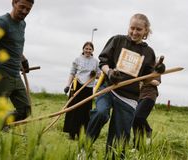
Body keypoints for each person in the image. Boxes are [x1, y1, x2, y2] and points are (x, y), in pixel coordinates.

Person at [86, 13, 165, 158]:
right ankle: (84, 149)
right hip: (109, 89)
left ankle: (112, 157)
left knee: (120, 136)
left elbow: (147, 79)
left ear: (146, 31)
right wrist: (109, 72)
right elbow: (103, 62)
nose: (134, 32)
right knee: (101, 113)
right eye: (132, 28)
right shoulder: (117, 40)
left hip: (129, 97)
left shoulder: (148, 53)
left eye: (139, 29)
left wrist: (157, 71)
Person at [0, 0, 34, 124]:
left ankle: (0, 125)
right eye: (22, 7)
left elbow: (15, 45)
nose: (24, 11)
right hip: (3, 73)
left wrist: (23, 58)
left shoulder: (22, 24)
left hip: (16, 74)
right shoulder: (2, 22)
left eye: (28, 9)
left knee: (25, 110)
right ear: (14, 3)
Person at [63, 41, 99, 140]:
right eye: (86, 48)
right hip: (77, 86)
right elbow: (72, 73)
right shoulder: (77, 59)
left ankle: (81, 133)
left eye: (90, 49)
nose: (88, 50)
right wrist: (67, 85)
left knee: (85, 111)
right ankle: (71, 132)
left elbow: (99, 75)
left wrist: (94, 74)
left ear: (92, 50)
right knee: (73, 109)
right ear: (83, 49)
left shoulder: (95, 62)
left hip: (88, 88)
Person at [132, 60, 164, 148]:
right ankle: (136, 146)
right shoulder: (142, 70)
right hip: (140, 96)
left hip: (150, 96)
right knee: (134, 121)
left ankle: (148, 130)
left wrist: (146, 79)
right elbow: (139, 84)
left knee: (137, 116)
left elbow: (157, 83)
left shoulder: (156, 70)